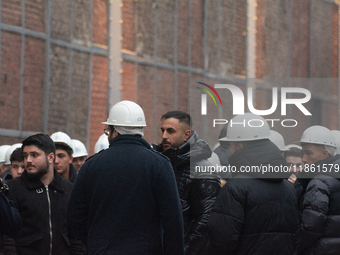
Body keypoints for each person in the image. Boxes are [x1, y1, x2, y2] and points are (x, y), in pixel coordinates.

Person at [67, 100, 184, 255]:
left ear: (114, 131)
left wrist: (94, 244)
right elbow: (173, 221)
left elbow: (75, 217)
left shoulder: (91, 166)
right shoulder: (159, 165)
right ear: (141, 130)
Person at [207, 113, 298, 255]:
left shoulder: (235, 188)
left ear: (239, 146)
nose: (229, 151)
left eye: (230, 145)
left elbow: (222, 240)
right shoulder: (289, 187)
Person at [4, 133, 85, 255]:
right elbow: (7, 236)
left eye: (34, 155)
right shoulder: (13, 189)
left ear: (51, 157)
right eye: (25, 156)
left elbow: (76, 235)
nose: (28, 160)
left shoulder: (69, 190)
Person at [153, 110, 220, 255]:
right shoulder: (158, 162)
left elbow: (206, 220)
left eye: (171, 131)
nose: (164, 136)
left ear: (186, 135)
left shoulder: (202, 169)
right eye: (162, 130)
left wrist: (184, 251)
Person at [295, 125, 340, 254]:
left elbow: (311, 226)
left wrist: (295, 247)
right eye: (302, 153)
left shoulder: (319, 182)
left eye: (308, 153)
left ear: (324, 154)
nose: (303, 159)